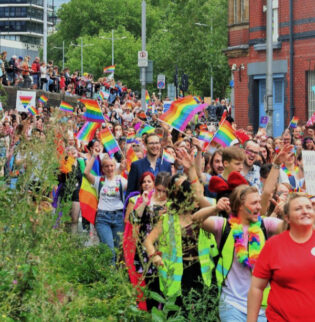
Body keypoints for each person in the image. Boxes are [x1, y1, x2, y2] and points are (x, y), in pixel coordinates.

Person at [192, 183, 284, 321]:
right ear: (240, 206)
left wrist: (286, 213)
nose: (259, 207)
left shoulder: (266, 225)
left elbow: (293, 228)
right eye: (254, 203)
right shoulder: (223, 226)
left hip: (262, 307)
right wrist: (215, 208)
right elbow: (195, 220)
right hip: (231, 304)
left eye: (259, 202)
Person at [143, 149, 211, 312]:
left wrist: (191, 170)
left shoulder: (201, 217)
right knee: (177, 313)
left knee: (201, 312)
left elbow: (202, 198)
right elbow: (148, 241)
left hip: (201, 271)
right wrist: (154, 257)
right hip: (176, 276)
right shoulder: (167, 219)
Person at [247, 193, 315, 322]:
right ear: (287, 218)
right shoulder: (273, 245)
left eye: (309, 207)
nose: (305, 211)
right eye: (298, 208)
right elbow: (256, 288)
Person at [84, 150, 127, 263]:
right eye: (106, 166)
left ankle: (116, 276)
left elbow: (133, 184)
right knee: (109, 251)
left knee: (118, 251)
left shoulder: (121, 181)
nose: (109, 168)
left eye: (111, 165)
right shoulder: (99, 180)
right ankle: (110, 278)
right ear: (103, 169)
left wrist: (125, 169)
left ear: (115, 166)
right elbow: (86, 173)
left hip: (118, 217)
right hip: (103, 218)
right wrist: (94, 156)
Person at [126, 133, 172, 197]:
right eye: (151, 143)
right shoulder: (136, 166)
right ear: (145, 145)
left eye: (157, 143)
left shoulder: (166, 165)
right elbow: (130, 191)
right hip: (142, 204)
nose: (154, 146)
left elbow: (169, 189)